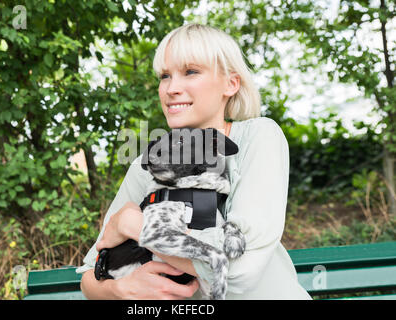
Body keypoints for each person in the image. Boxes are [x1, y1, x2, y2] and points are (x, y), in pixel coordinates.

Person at [78, 23, 312, 300]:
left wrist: (132, 226)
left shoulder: (258, 137)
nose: (171, 88)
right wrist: (120, 289)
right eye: (165, 76)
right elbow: (91, 274)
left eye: (190, 72)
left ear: (231, 84)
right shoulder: (148, 164)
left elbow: (239, 267)